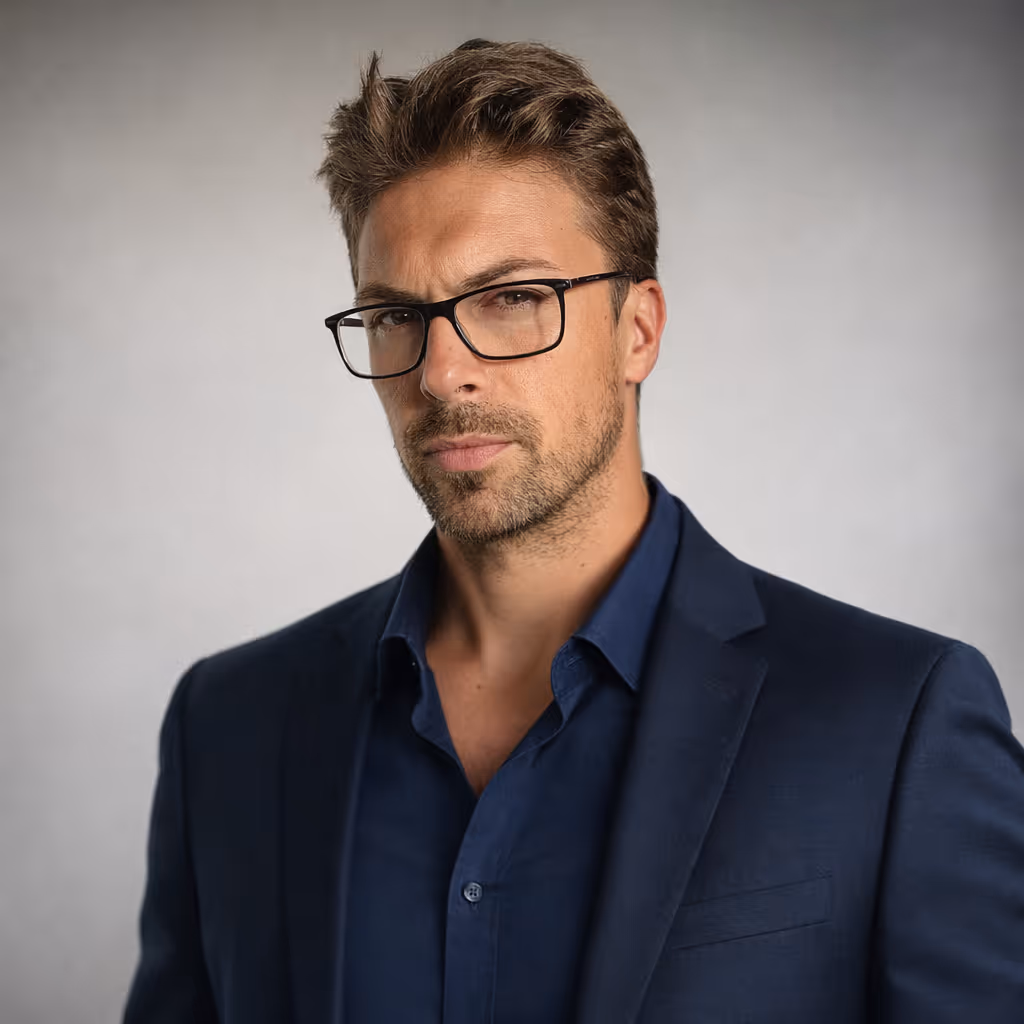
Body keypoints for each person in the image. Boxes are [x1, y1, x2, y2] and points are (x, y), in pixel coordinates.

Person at [122, 38, 1024, 1024]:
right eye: (395, 317)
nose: (442, 372)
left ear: (638, 331)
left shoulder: (896, 723)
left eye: (513, 299)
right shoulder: (229, 727)